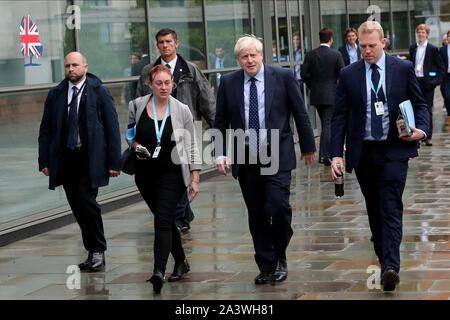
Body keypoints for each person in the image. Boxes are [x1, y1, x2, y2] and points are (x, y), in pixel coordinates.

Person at [330, 21, 430, 292]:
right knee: (374, 210)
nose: (367, 51)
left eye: (372, 46)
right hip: (364, 152)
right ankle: (384, 256)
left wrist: (421, 131)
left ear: (383, 42)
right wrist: (335, 155)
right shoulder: (349, 74)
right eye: (362, 46)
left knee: (390, 205)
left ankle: (390, 267)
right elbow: (338, 117)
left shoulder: (403, 69)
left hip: (395, 149)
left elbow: (420, 104)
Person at [214, 35, 316, 285]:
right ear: (238, 60)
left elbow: (299, 112)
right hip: (245, 156)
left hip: (277, 154)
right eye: (244, 56)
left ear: (261, 56)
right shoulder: (228, 83)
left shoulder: (281, 77)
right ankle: (266, 264)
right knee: (257, 213)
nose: (249, 60)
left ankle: (280, 255)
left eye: (253, 55)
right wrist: (220, 152)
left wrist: (308, 146)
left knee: (278, 207)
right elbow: (220, 120)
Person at [38, 51, 122, 272]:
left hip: (89, 158)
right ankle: (92, 249)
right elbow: (45, 130)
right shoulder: (56, 94)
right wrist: (44, 160)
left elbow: (113, 129)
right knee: (76, 205)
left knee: (87, 203)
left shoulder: (99, 91)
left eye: (75, 65)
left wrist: (115, 162)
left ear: (85, 66)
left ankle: (97, 250)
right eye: (67, 66)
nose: (71, 69)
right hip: (65, 159)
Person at [126, 64, 201, 294]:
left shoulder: (182, 110)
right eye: (158, 83)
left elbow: (192, 144)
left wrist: (195, 176)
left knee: (162, 220)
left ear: (173, 84)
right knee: (165, 220)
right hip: (146, 174)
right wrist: (136, 145)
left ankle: (158, 271)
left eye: (167, 82)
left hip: (173, 174)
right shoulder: (137, 106)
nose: (163, 87)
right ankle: (181, 260)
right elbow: (130, 134)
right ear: (150, 84)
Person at [136, 28, 216, 233]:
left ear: (176, 43)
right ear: (157, 45)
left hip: (183, 130)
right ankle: (182, 214)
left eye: (169, 41)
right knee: (165, 175)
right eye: (161, 42)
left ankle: (179, 218)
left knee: (180, 173)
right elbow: (139, 101)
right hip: (158, 132)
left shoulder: (189, 69)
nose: (165, 45)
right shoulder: (148, 71)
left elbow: (206, 99)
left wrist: (218, 128)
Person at [301, 28, 344, 166]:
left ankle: (327, 153)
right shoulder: (336, 54)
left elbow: (304, 74)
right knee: (327, 124)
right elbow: (342, 73)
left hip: (317, 95)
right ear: (331, 39)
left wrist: (312, 85)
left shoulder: (310, 55)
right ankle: (325, 155)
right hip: (331, 94)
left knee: (326, 123)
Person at [409, 24, 445, 146]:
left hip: (427, 83)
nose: (420, 34)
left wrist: (434, 82)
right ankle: (416, 133)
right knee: (415, 108)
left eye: (423, 32)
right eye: (419, 32)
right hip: (415, 82)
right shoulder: (413, 47)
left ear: (427, 34)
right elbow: (410, 64)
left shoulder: (433, 49)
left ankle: (427, 136)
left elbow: (441, 68)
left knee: (427, 109)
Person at [439, 30, 450, 119]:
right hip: (446, 76)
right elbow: (439, 63)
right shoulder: (442, 50)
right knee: (447, 95)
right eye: (449, 36)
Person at [292, 32, 304, 96]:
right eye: (294, 39)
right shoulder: (291, 52)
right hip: (292, 78)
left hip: (300, 79)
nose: (296, 41)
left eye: (297, 39)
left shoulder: (303, 52)